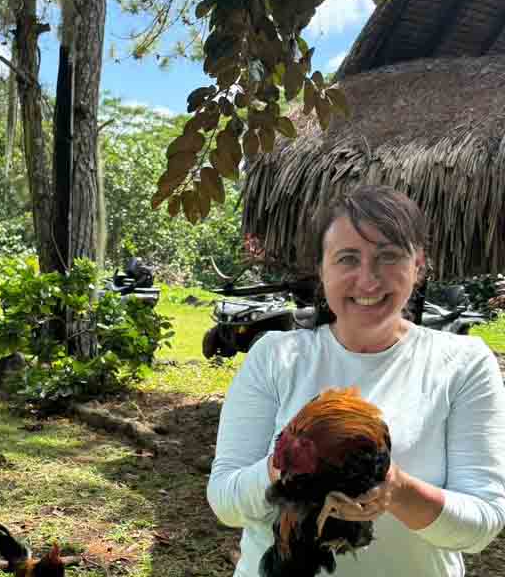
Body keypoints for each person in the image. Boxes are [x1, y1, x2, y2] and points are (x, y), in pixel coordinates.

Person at [207, 184, 505, 577]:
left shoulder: (463, 364)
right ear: (322, 268)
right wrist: (284, 467)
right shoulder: (275, 356)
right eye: (348, 258)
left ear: (419, 265)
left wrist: (397, 492)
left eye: (389, 257)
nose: (368, 281)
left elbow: (482, 524)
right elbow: (224, 502)